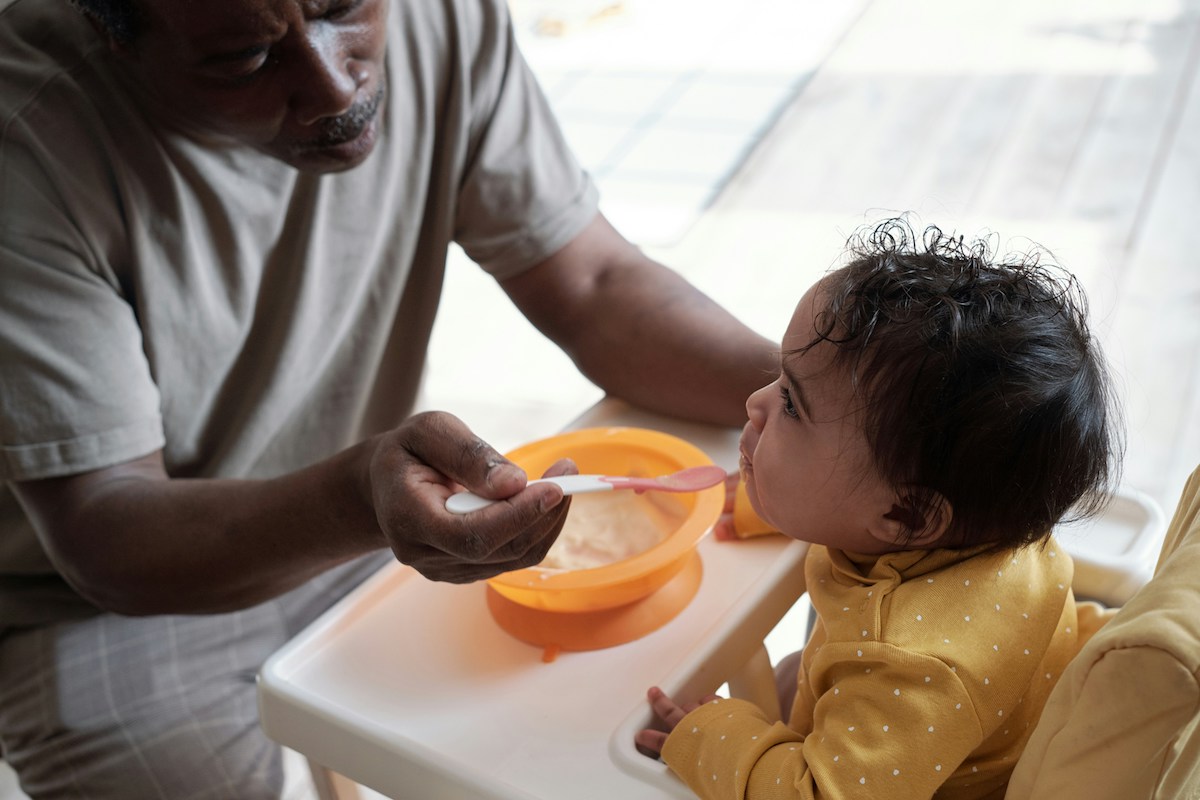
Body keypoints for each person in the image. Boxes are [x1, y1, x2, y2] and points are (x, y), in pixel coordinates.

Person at [0, 0, 777, 796]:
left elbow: (594, 282)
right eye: (242, 59)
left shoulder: (436, 14)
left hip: (376, 519)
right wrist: (360, 502)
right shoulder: (27, 148)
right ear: (111, 30)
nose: (334, 86)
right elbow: (103, 529)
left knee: (569, 742)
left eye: (342, 8)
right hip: (105, 600)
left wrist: (815, 388)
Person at [635, 219, 1123, 799]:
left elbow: (814, 795)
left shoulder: (909, 668)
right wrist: (767, 500)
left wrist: (711, 733)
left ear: (908, 518)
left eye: (791, 404)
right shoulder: (987, 511)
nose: (754, 402)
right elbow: (848, 495)